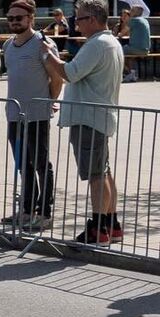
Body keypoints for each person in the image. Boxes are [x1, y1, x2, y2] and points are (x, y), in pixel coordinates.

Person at [42, 0, 124, 244]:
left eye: (80, 19)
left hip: (89, 117)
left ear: (94, 20)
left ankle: (98, 229)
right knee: (104, 171)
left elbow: (69, 72)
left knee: (96, 174)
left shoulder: (97, 43)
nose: (76, 23)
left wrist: (48, 56)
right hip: (99, 115)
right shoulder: (110, 42)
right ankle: (111, 224)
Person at [1, 0, 59, 231]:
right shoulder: (7, 45)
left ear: (31, 19)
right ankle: (26, 210)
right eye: (11, 18)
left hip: (37, 114)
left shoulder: (43, 44)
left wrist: (49, 103)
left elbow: (56, 78)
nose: (14, 22)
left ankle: (44, 212)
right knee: (23, 164)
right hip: (14, 114)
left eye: (19, 18)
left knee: (41, 164)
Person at [122, 5, 150, 82]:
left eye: (132, 10)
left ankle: (128, 73)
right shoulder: (145, 20)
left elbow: (123, 32)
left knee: (117, 52)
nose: (130, 11)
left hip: (136, 48)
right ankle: (132, 74)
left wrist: (118, 35)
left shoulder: (134, 20)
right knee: (129, 57)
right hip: (146, 50)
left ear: (136, 12)